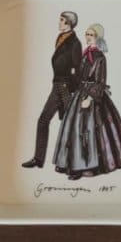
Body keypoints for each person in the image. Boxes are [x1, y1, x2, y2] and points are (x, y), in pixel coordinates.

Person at [53, 23, 121, 179]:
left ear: (98, 38)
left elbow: (100, 82)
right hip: (79, 94)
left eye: (91, 35)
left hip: (92, 97)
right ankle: (72, 165)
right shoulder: (85, 54)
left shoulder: (100, 57)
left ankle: (86, 167)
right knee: (74, 130)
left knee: (87, 131)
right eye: (87, 34)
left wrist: (89, 98)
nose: (88, 37)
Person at [21, 13, 82, 170]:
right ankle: (38, 159)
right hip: (57, 85)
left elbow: (77, 69)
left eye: (62, 20)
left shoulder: (75, 43)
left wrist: (72, 90)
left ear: (69, 23)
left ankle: (74, 163)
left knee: (71, 125)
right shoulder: (61, 37)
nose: (59, 22)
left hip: (66, 87)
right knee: (43, 120)